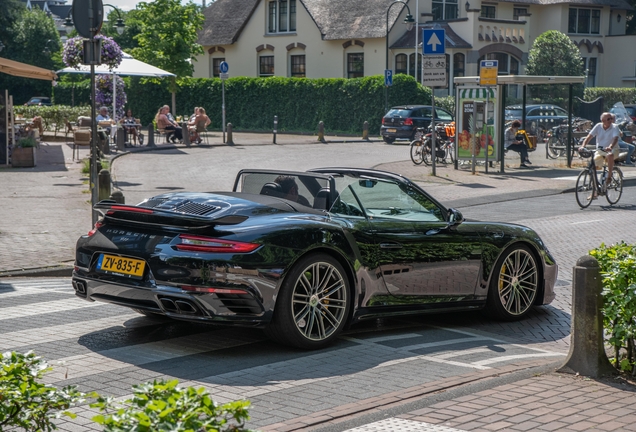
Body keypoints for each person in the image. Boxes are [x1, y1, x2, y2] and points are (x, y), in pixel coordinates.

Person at [580, 112, 620, 198]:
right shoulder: (598, 126)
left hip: (613, 149)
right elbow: (589, 137)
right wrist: (583, 146)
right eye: (608, 119)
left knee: (609, 155)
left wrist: (610, 146)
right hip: (600, 150)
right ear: (602, 121)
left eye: (611, 118)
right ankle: (595, 191)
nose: (610, 120)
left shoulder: (614, 127)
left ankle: (609, 177)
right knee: (592, 167)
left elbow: (615, 138)